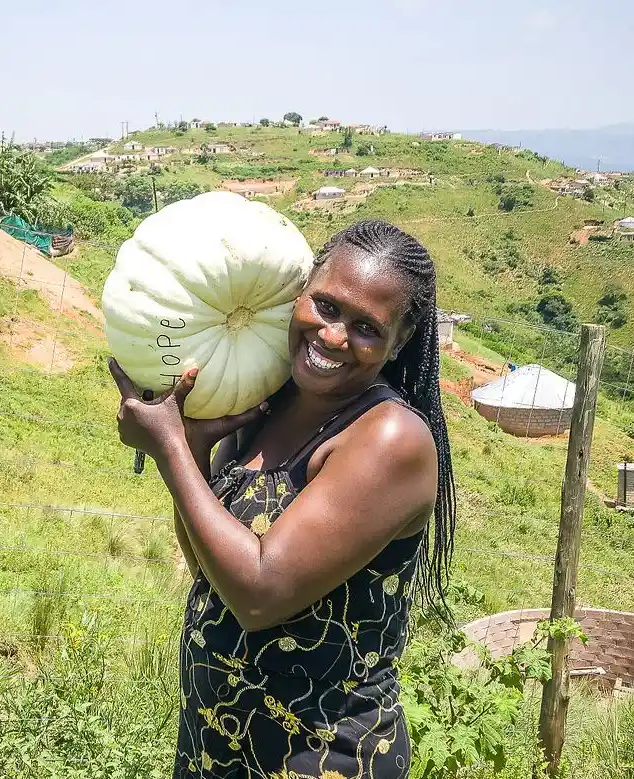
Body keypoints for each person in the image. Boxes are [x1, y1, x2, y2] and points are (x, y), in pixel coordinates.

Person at [109, 220, 456, 779]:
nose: (334, 336)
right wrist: (194, 451)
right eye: (326, 306)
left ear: (400, 343)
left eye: (367, 327)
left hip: (318, 756)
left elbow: (259, 595)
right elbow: (210, 564)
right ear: (301, 293)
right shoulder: (270, 402)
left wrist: (170, 448)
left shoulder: (389, 439)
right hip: (216, 740)